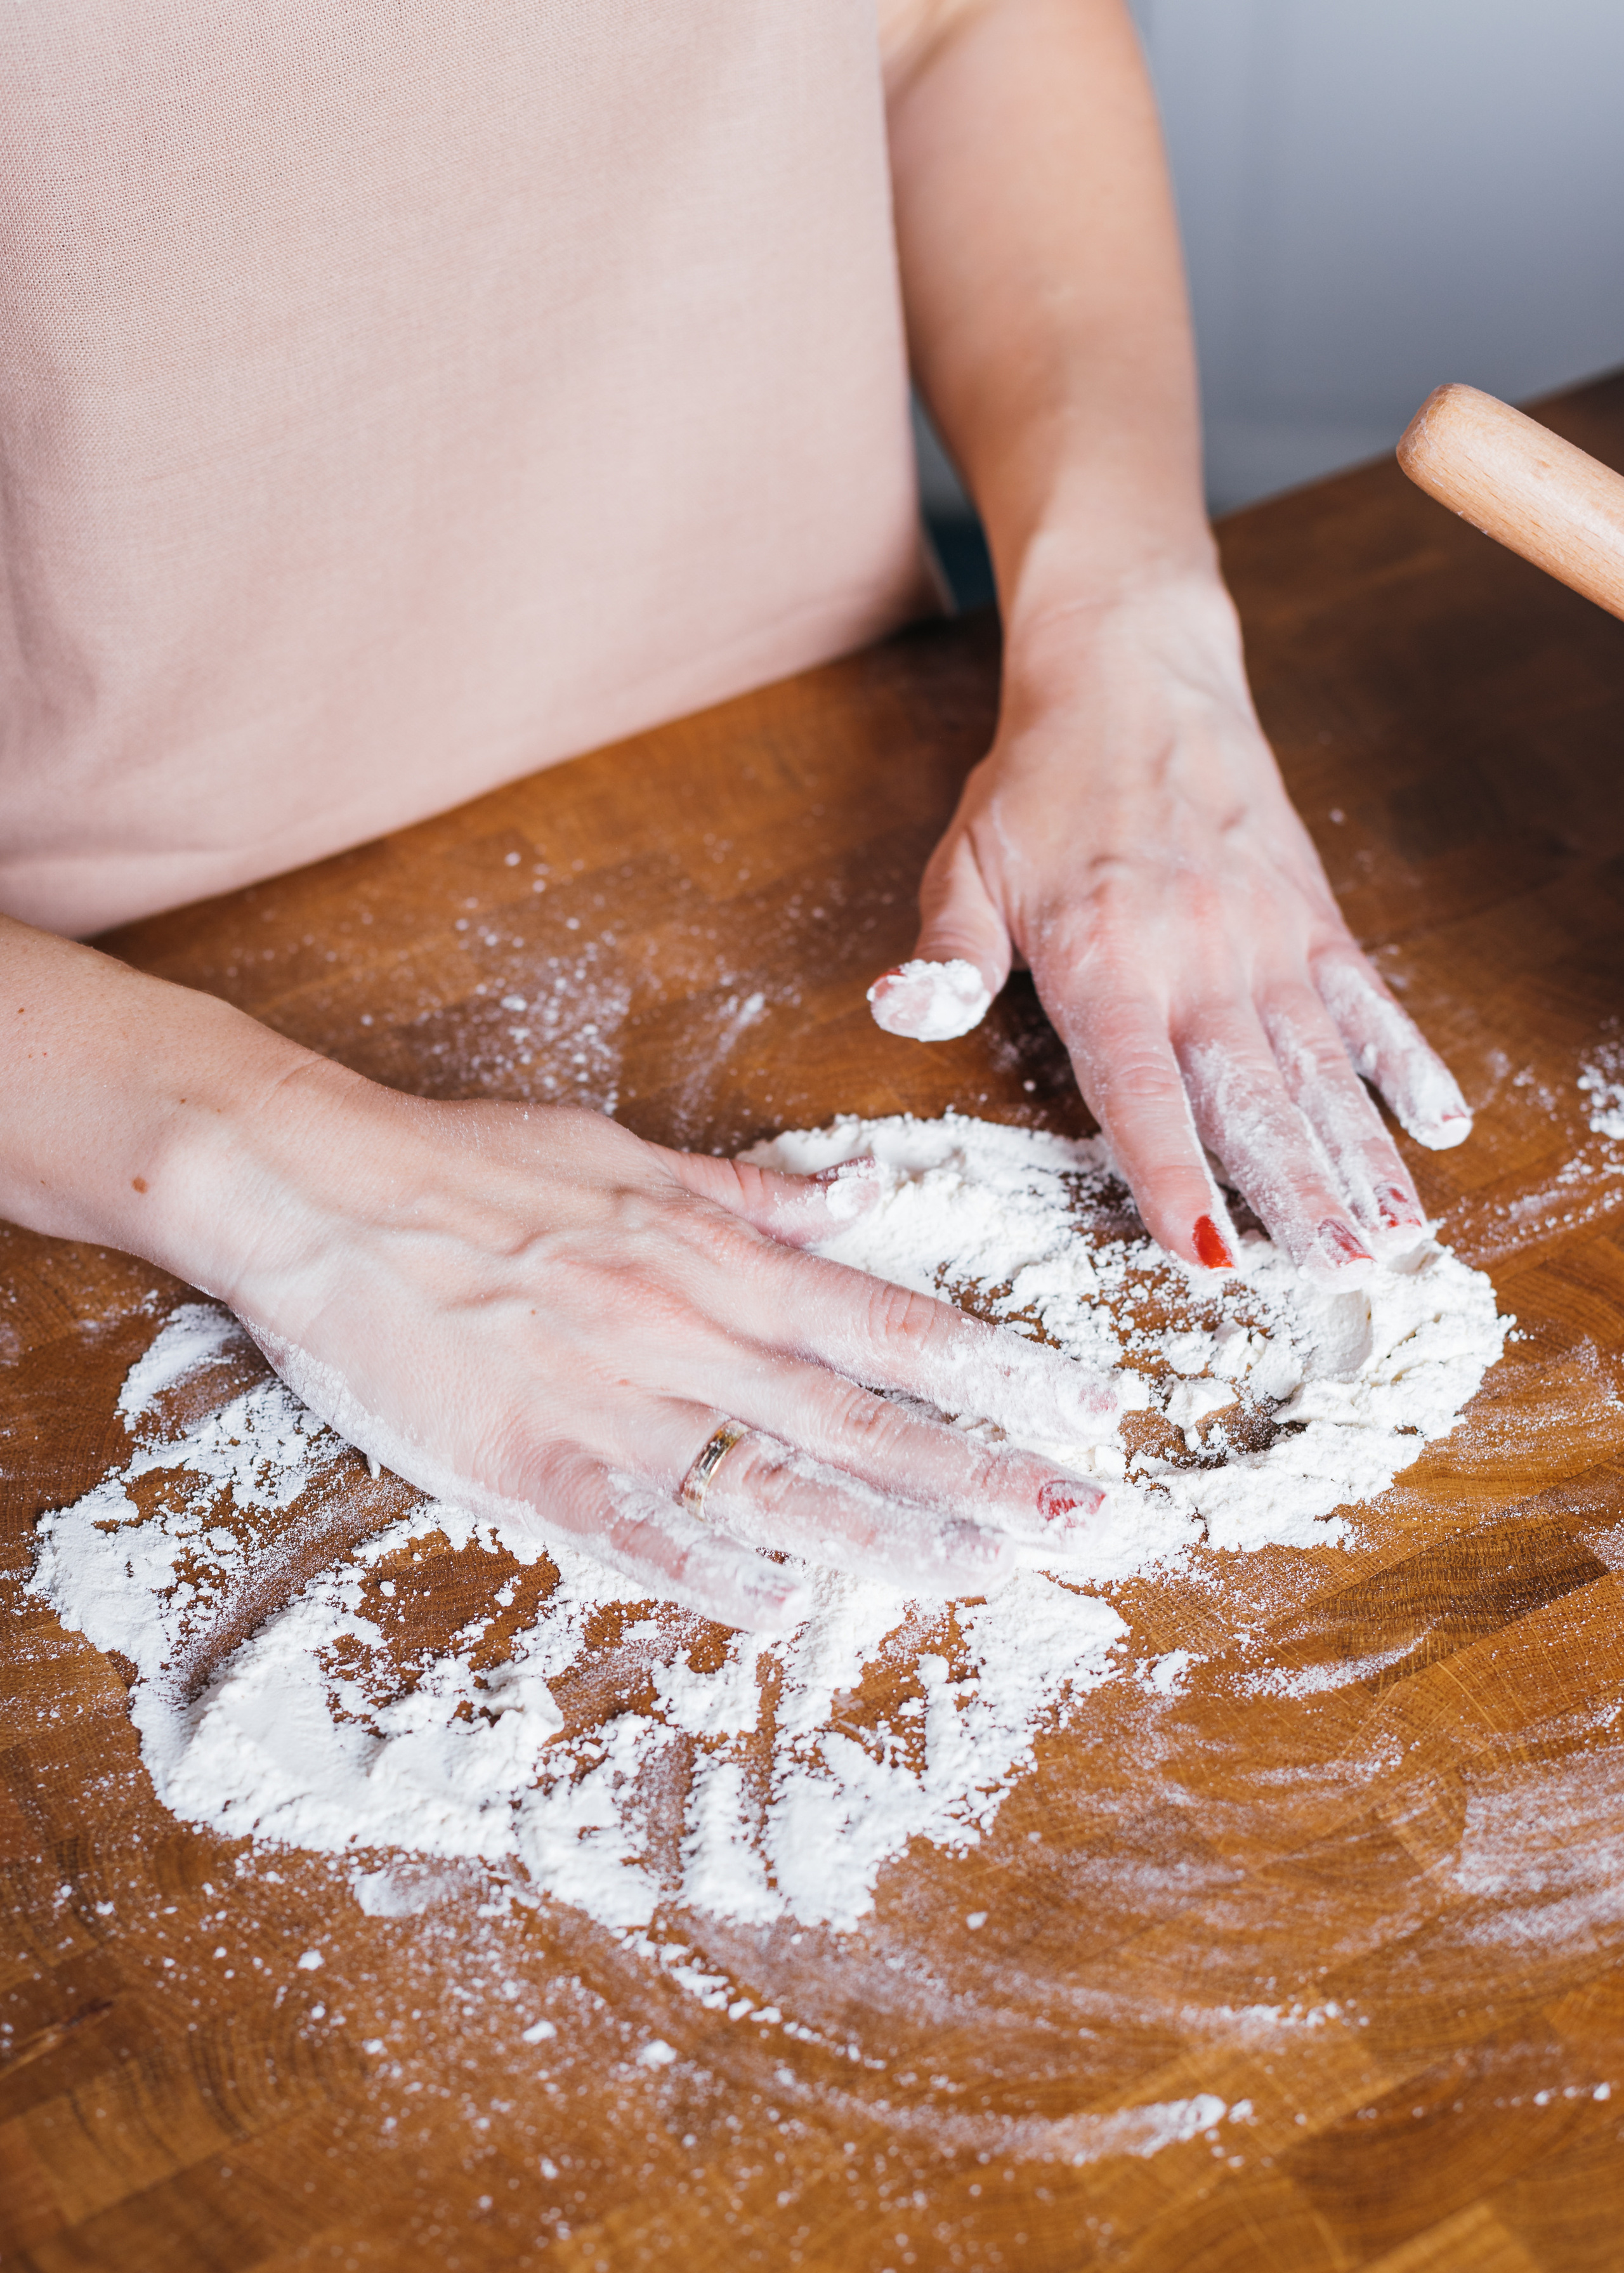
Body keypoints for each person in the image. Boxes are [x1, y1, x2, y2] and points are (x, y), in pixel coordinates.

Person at [0, 0, 1469, 1630]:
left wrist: (1129, 621)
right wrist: (238, 1155)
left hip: (840, 765)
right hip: (98, 1017)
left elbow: (958, 27)